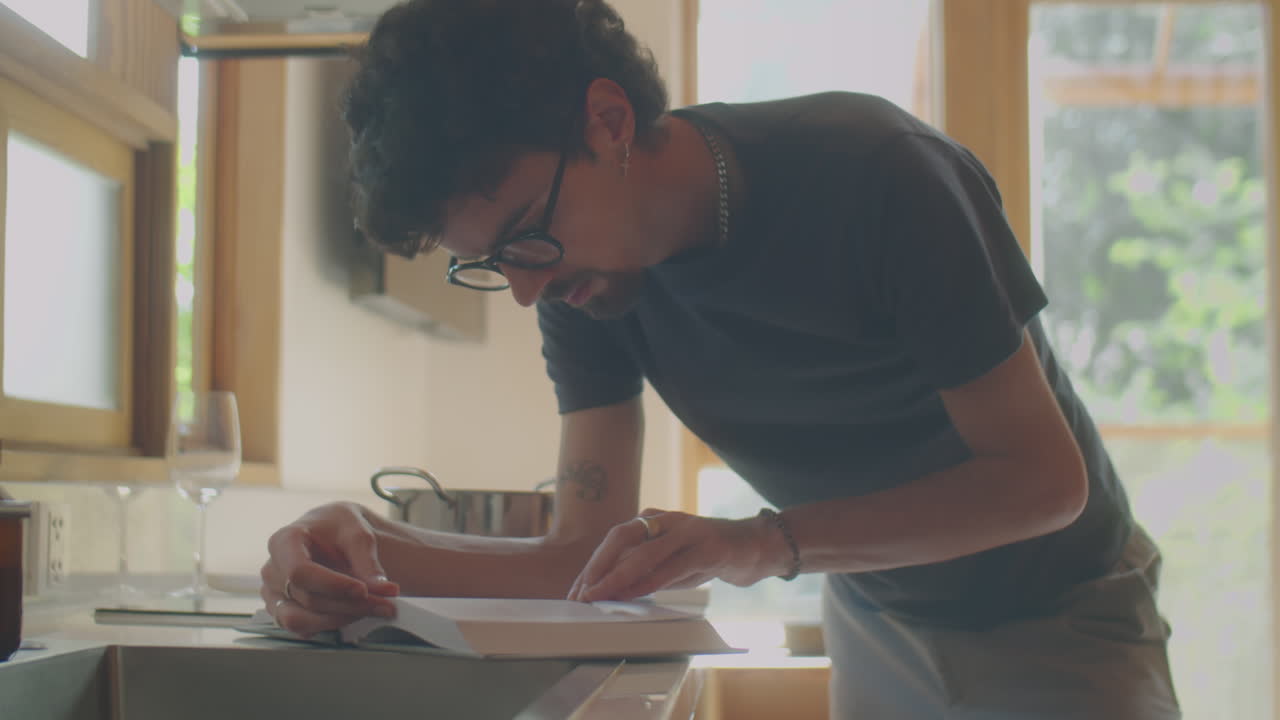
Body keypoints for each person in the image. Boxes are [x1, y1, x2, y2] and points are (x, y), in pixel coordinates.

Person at [260, 0, 1181, 716]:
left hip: (1065, 615)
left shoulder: (880, 174)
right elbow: (579, 558)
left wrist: (758, 542)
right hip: (876, 617)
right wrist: (365, 549)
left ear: (608, 121)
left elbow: (1043, 482)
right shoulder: (586, 281)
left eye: (525, 239)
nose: (528, 290)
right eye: (490, 264)